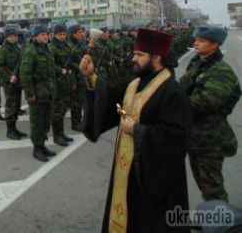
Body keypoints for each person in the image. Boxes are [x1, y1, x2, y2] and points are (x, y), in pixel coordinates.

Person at [80, 28, 191, 232]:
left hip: (154, 182)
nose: (133, 59)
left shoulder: (173, 92)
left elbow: (176, 140)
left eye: (139, 55)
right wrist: (91, 77)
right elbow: (111, 97)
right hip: (127, 175)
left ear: (156, 57)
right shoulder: (134, 84)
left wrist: (137, 130)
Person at [179, 26, 240, 202]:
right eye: (196, 39)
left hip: (210, 138)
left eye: (201, 40)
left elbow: (206, 103)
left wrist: (175, 105)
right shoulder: (197, 63)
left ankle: (220, 224)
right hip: (195, 136)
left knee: (212, 186)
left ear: (215, 45)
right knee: (201, 181)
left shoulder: (220, 70)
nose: (196, 43)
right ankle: (210, 215)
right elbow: (181, 87)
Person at [20, 24, 57, 162]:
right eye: (42, 34)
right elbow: (25, 75)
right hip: (37, 92)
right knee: (37, 122)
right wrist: (30, 94)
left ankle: (43, 146)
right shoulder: (30, 51)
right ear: (35, 37)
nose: (46, 36)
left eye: (46, 34)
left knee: (46, 122)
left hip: (48, 91)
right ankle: (37, 149)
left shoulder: (47, 50)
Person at [0, 26, 26, 140]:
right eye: (11, 36)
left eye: (15, 36)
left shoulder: (17, 48)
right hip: (10, 83)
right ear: (6, 37)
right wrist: (9, 77)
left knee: (17, 105)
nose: (13, 38)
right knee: (10, 106)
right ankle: (10, 130)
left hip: (18, 81)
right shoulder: (3, 50)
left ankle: (14, 128)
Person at [48, 23, 75, 146]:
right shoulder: (51, 48)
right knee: (57, 111)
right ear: (54, 35)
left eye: (64, 34)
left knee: (63, 109)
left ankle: (62, 133)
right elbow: (49, 65)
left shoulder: (67, 46)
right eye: (60, 34)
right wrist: (60, 70)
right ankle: (57, 136)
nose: (63, 36)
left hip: (66, 81)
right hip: (57, 82)